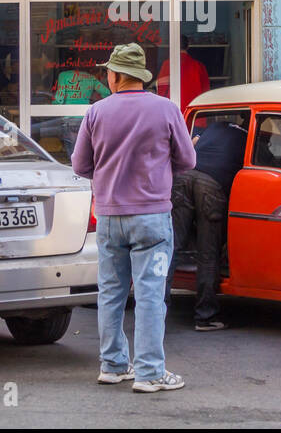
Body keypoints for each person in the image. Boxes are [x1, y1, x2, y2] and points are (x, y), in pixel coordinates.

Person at [72, 43, 195, 393]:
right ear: (140, 76)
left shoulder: (96, 112)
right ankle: (150, 373)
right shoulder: (166, 109)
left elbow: (80, 165)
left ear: (115, 76)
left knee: (110, 293)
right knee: (150, 295)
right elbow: (188, 160)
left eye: (107, 72)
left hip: (110, 216)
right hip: (152, 217)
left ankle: (112, 365)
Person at [169, 114, 248, 331]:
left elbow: (192, 142)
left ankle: (154, 313)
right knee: (208, 252)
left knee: (171, 247)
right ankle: (205, 316)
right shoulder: (248, 138)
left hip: (184, 176)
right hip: (211, 186)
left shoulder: (216, 127)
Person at [155, 35, 210, 111]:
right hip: (195, 114)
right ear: (188, 45)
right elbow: (206, 93)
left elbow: (161, 91)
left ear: (172, 46)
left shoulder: (168, 64)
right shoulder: (199, 66)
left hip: (173, 113)